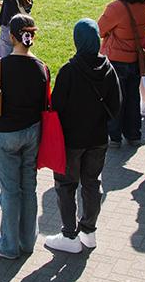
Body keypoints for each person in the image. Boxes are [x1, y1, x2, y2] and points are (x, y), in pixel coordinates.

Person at [44, 19, 121, 253]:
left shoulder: (70, 71)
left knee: (66, 185)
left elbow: (55, 104)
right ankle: (89, 230)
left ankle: (69, 234)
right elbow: (116, 106)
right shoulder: (108, 68)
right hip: (97, 138)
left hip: (71, 140)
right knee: (91, 184)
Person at [0, 14, 47, 259]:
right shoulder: (41, 67)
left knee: (9, 190)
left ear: (11, 36)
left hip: (5, 134)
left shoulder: (0, 66)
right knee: (29, 187)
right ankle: (27, 241)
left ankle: (8, 244)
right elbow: (44, 105)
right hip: (32, 133)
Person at [97, 0, 145, 147]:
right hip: (135, 59)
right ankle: (133, 134)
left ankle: (115, 136)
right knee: (133, 98)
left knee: (115, 99)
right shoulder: (143, 6)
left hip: (116, 60)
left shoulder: (116, 8)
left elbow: (100, 29)